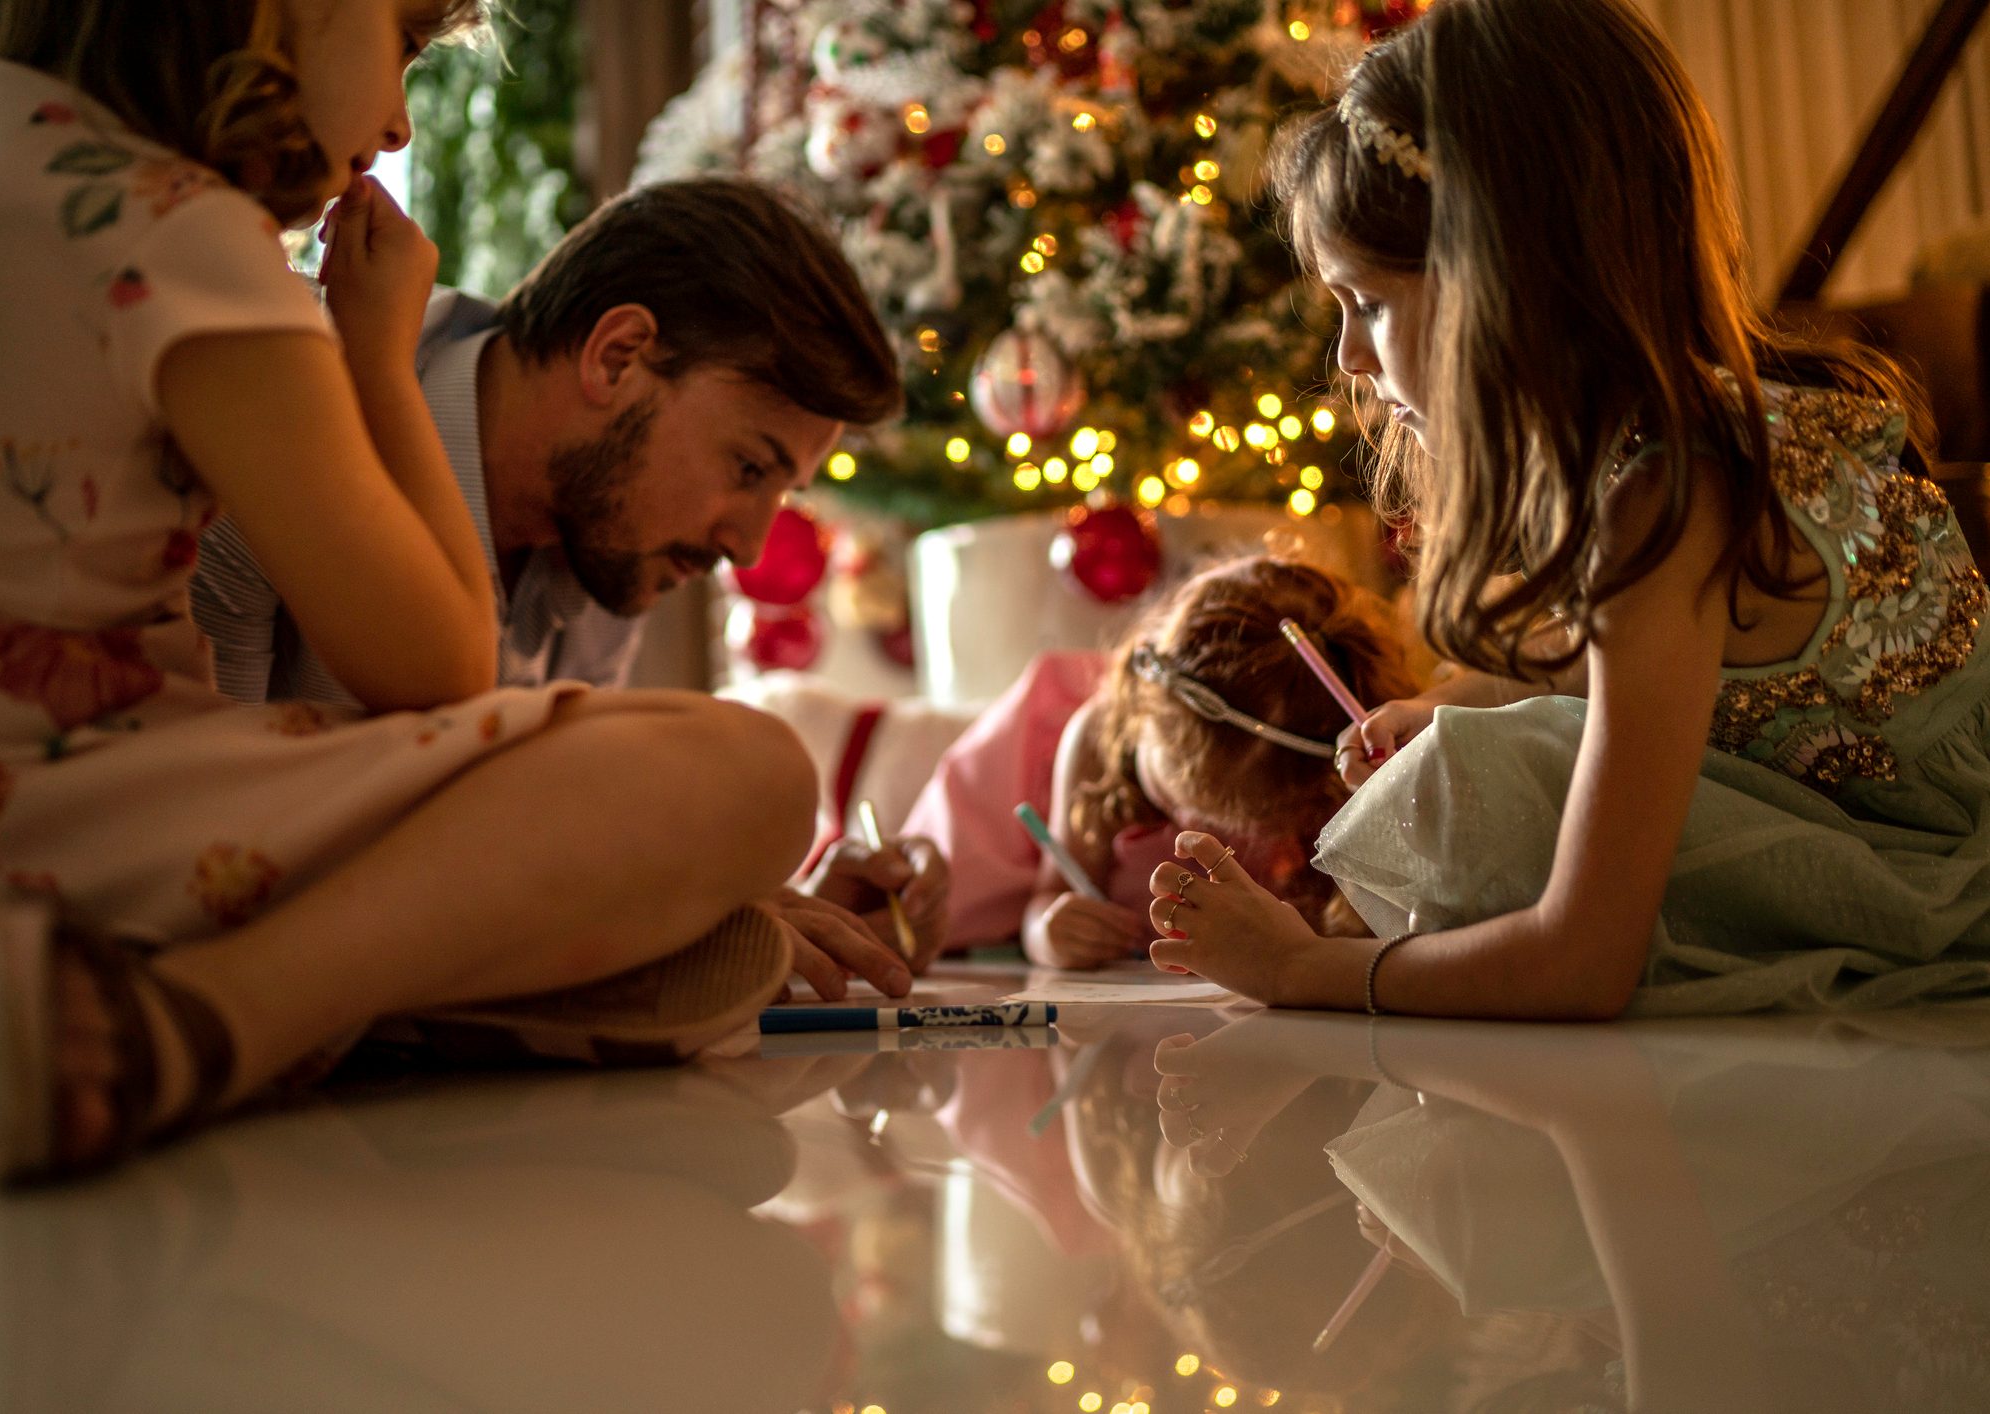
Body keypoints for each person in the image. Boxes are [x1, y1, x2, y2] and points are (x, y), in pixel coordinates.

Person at [0, 0, 833, 1181]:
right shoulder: (181, 239)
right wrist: (374, 359)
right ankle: (197, 1023)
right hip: (13, 874)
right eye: (405, 44)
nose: (387, 124)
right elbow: (437, 671)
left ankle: (360, 990)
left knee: (711, 937)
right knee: (753, 775)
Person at [1148, 0, 1990, 1018]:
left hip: (1938, 883)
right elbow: (1667, 702)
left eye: (1366, 302)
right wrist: (1450, 703)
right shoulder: (1672, 456)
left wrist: (1294, 969)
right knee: (1466, 738)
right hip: (1895, 843)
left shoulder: (1664, 498)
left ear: (1496, 275)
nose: (1349, 362)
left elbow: (1578, 963)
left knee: (1467, 790)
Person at [193, 176, 946, 1000]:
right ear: (616, 356)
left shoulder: (602, 539)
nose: (750, 544)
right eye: (748, 467)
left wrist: (758, 907)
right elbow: (203, 837)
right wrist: (663, 907)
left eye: (782, 491)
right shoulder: (301, 395)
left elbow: (529, 831)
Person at [905, 555, 1417, 969]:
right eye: (1167, 795)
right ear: (1143, 700)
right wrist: (1049, 933)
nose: (1189, 824)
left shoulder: (1330, 780)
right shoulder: (1096, 739)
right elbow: (1048, 898)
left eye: (1231, 822)